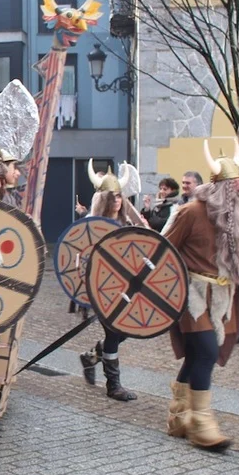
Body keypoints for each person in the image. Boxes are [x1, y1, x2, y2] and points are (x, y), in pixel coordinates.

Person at [163, 140, 239, 452]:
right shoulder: (190, 212)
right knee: (207, 351)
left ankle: (178, 416)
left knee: (198, 354)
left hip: (224, 297)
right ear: (218, 187)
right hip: (192, 293)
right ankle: (201, 424)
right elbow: (163, 250)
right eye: (233, 184)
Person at [78, 167, 147, 402]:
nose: (117, 200)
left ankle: (91, 357)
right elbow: (84, 258)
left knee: (124, 330)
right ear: (104, 200)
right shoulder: (92, 225)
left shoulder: (126, 222)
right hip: (104, 288)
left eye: (119, 196)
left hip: (126, 287)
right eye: (112, 197)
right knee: (115, 331)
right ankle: (113, 385)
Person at [160, 170, 203, 235]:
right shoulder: (179, 203)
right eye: (183, 183)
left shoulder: (204, 203)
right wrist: (161, 237)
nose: (184, 186)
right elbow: (170, 224)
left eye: (188, 183)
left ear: (198, 185)